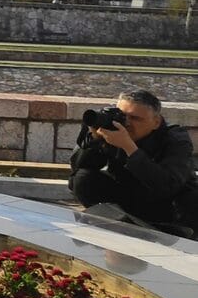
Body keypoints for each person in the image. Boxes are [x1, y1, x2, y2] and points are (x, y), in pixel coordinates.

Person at [68, 89, 198, 234]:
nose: (127, 123)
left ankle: (179, 233)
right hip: (129, 195)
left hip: (168, 204)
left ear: (156, 122)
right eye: (123, 116)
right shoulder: (113, 127)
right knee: (82, 178)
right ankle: (119, 224)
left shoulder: (176, 139)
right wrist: (94, 139)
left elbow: (167, 185)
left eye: (136, 118)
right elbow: (77, 168)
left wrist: (129, 148)